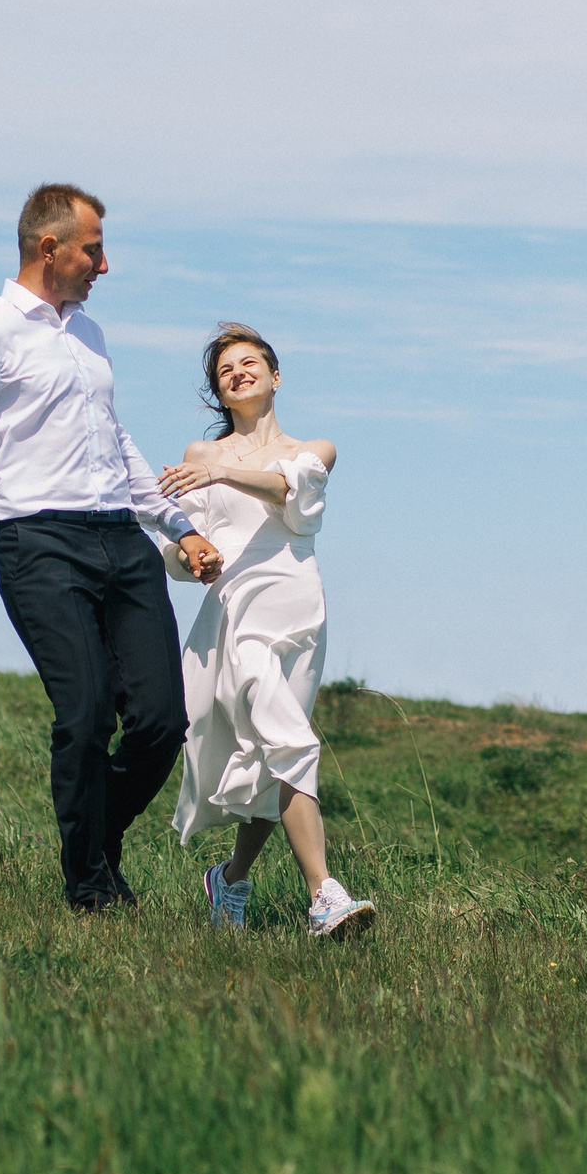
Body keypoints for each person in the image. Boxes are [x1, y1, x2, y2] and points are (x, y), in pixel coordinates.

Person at [0, 184, 224, 912]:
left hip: (122, 539)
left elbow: (114, 440)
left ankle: (94, 846)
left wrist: (177, 525)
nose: (102, 266)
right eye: (93, 249)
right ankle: (90, 889)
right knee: (83, 715)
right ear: (49, 249)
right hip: (38, 543)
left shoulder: (88, 334)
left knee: (160, 722)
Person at [158, 324, 375, 938]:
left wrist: (223, 472)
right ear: (219, 394)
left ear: (275, 376)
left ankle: (227, 880)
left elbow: (289, 493)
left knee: (276, 754)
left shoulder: (316, 449)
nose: (238, 373)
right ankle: (324, 896)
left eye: (249, 363)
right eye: (225, 371)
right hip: (237, 612)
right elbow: (177, 545)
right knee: (288, 739)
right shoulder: (200, 459)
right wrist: (189, 556)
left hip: (300, 609)